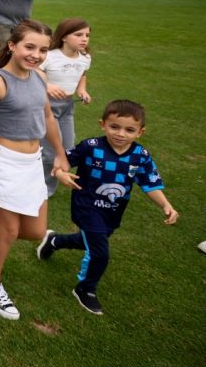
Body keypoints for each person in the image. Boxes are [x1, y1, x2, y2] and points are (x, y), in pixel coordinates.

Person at [0, 20, 77, 320]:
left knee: (35, 230)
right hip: (2, 162)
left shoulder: (40, 76)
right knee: (10, 230)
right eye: (29, 47)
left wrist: (60, 156)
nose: (36, 54)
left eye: (43, 49)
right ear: (12, 45)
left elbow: (49, 120)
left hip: (32, 163)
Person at [36, 100, 179, 315]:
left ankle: (55, 240)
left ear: (140, 132)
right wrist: (60, 173)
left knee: (92, 241)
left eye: (129, 129)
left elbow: (149, 184)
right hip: (87, 206)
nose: (121, 134)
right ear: (103, 124)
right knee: (100, 252)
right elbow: (63, 159)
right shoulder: (91, 146)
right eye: (115, 127)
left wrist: (166, 204)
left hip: (112, 210)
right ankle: (85, 289)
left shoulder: (140, 156)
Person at [40, 18, 93, 196]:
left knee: (67, 148)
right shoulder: (49, 55)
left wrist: (82, 90)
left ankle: (42, 180)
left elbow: (82, 75)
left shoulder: (85, 58)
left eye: (87, 35)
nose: (84, 39)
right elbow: (36, 72)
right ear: (63, 37)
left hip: (67, 106)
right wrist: (47, 85)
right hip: (47, 106)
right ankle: (44, 190)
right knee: (50, 151)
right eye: (78, 35)